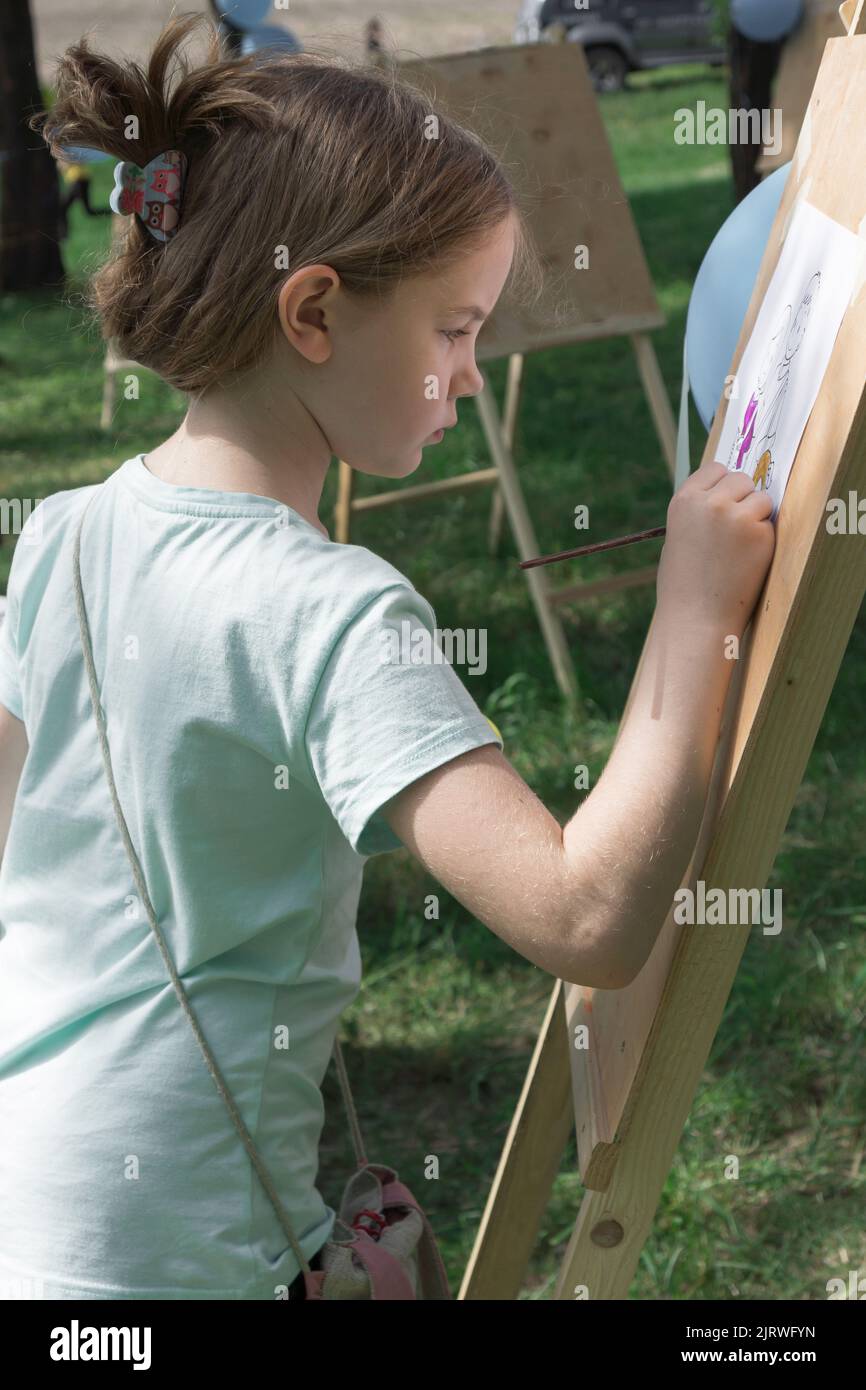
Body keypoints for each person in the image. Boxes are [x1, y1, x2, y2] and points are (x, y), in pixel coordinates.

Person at [0, 12, 774, 1301]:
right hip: (172, 1251)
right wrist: (694, 621)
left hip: (35, 1201)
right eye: (455, 329)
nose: (470, 377)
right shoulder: (330, 611)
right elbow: (581, 915)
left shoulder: (65, 537)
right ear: (314, 311)